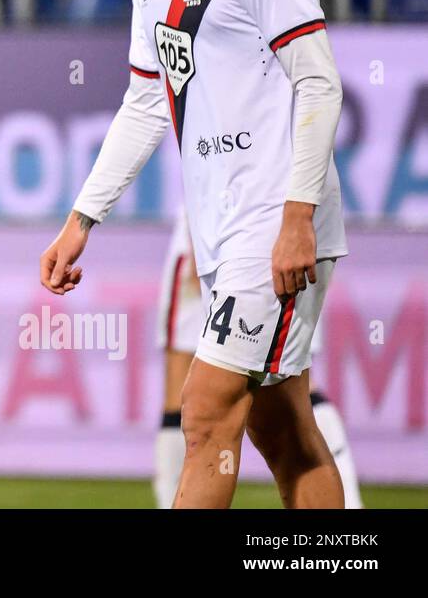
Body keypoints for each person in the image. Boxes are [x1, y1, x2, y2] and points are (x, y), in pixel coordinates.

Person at [40, 0, 347, 508]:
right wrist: (82, 219)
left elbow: (321, 84)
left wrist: (297, 219)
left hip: (273, 224)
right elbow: (146, 103)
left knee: (204, 417)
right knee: (286, 434)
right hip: (222, 228)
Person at [152, 208, 362, 508]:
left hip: (249, 224)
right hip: (253, 221)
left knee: (283, 391)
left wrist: (297, 221)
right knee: (287, 392)